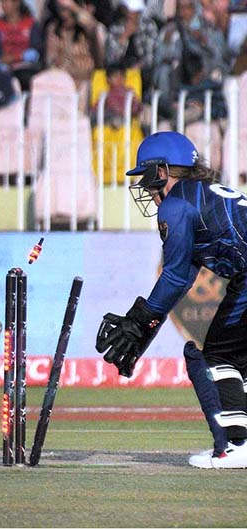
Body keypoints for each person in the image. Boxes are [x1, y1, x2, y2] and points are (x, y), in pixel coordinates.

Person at [95, 131, 247, 469]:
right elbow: (181, 282)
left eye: (148, 180)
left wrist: (137, 321)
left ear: (161, 170)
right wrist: (143, 331)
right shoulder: (201, 196)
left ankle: (237, 445)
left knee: (219, 356)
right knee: (238, 357)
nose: (148, 191)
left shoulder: (177, 205)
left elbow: (175, 275)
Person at [0, 0, 43, 107]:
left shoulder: (31, 24)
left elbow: (35, 52)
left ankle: (26, 111)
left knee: (26, 77)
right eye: (1, 2)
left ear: (16, 3)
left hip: (25, 67)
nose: (3, 5)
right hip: (3, 67)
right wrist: (4, 60)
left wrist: (16, 57)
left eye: (6, 2)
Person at [90, 63, 143, 129]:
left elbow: (136, 104)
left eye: (122, 76)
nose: (119, 79)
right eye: (115, 76)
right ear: (108, 80)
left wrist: (135, 109)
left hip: (127, 114)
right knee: (96, 116)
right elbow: (96, 108)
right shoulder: (106, 93)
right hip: (111, 114)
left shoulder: (129, 92)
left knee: (145, 113)